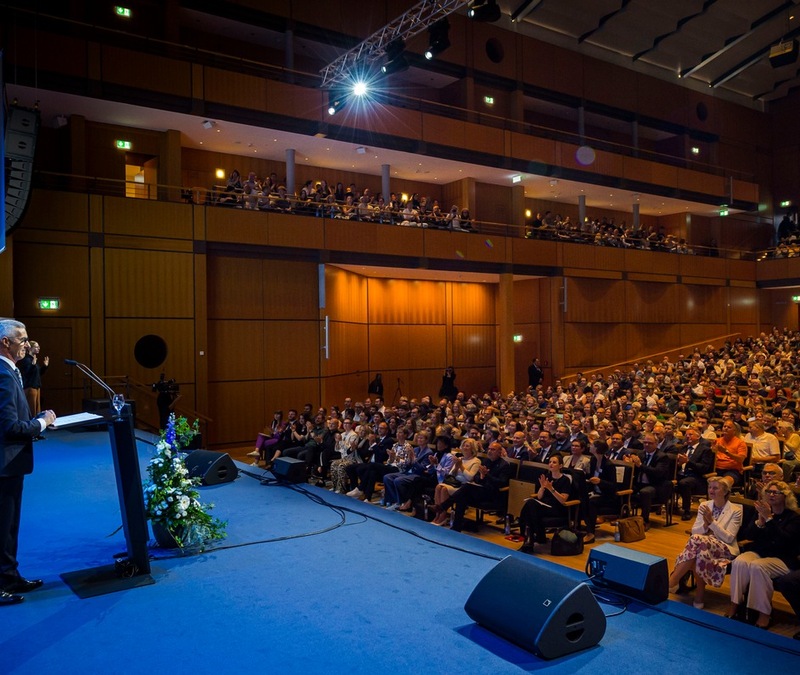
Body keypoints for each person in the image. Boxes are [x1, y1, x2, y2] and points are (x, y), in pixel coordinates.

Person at [0, 319, 57, 606]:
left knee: (9, 526)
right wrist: (40, 423)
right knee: (3, 525)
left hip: (11, 463)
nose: (26, 344)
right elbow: (10, 426)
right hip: (4, 463)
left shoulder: (11, 370)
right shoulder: (2, 373)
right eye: (21, 339)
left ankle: (10, 576)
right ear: (5, 343)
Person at [728, 480, 800, 628]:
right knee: (740, 561)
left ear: (785, 496)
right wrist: (759, 523)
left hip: (784, 559)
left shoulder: (793, 517)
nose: (771, 495)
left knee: (757, 567)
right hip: (760, 552)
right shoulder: (760, 512)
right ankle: (735, 604)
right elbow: (748, 535)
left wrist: (769, 519)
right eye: (768, 492)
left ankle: (764, 613)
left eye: (776, 492)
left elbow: (784, 541)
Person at [668, 476, 742, 609]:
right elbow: (695, 530)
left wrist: (711, 523)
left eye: (715, 488)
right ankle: (700, 594)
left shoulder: (736, 510)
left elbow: (729, 538)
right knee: (699, 549)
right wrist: (705, 526)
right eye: (709, 487)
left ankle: (672, 580)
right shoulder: (704, 505)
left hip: (724, 548)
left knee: (696, 541)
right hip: (702, 547)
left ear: (725, 492)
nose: (711, 490)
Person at [517, 454, 573, 553]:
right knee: (530, 504)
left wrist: (551, 489)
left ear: (560, 466)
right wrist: (542, 487)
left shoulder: (565, 480)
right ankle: (532, 539)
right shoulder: (546, 477)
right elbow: (539, 497)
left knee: (530, 505)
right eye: (550, 462)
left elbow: (563, 500)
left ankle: (529, 537)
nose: (551, 464)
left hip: (556, 508)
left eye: (554, 462)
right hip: (543, 506)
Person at [431, 438, 481, 525]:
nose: (465, 447)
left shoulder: (476, 461)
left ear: (472, 448)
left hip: (464, 487)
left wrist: (461, 466)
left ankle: (443, 516)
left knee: (444, 489)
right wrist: (457, 467)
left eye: (467, 446)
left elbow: (469, 478)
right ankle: (437, 514)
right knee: (439, 486)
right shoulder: (459, 458)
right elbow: (451, 474)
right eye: (464, 445)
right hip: (453, 483)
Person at [18, 341, 48, 416]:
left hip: (36, 387)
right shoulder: (26, 359)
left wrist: (45, 366)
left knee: (37, 410)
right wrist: (33, 365)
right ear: (30, 348)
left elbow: (37, 374)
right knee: (32, 410)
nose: (39, 348)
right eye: (36, 347)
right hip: (30, 388)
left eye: (39, 347)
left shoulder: (33, 359)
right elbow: (27, 373)